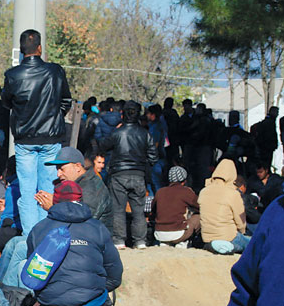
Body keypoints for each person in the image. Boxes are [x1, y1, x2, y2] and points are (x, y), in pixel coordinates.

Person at [1, 29, 72, 235]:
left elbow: (6, 102)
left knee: (26, 191)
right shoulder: (55, 71)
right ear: (40, 48)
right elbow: (66, 100)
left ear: (21, 50)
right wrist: (54, 117)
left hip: (24, 139)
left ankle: (30, 236)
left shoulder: (12, 75)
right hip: (51, 136)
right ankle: (46, 234)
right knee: (48, 188)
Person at [26, 181, 122, 306]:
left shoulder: (39, 229)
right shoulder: (97, 227)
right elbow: (114, 273)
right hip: (91, 304)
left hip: (51, 303)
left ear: (55, 200)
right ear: (81, 200)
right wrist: (95, 290)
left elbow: (33, 273)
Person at [99, 100, 157, 249]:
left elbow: (103, 145)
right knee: (138, 210)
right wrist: (144, 166)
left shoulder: (117, 132)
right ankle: (140, 241)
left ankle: (119, 240)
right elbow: (153, 156)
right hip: (138, 174)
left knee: (118, 209)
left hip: (118, 174)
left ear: (122, 115)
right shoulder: (145, 134)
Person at [43, 147, 112, 232]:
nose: (58, 174)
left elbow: (83, 221)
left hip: (93, 237)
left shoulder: (91, 188)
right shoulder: (77, 184)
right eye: (57, 169)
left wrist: (54, 208)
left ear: (78, 167)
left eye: (62, 169)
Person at [199, 159, 249, 254]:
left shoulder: (203, 191)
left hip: (207, 238)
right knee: (254, 244)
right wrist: (242, 231)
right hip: (228, 236)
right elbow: (241, 222)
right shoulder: (233, 193)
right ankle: (227, 247)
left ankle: (218, 246)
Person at [151, 166, 200, 247]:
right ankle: (184, 241)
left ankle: (166, 243)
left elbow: (153, 212)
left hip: (160, 234)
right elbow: (200, 206)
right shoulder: (186, 191)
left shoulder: (160, 192)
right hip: (178, 234)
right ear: (184, 181)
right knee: (199, 217)